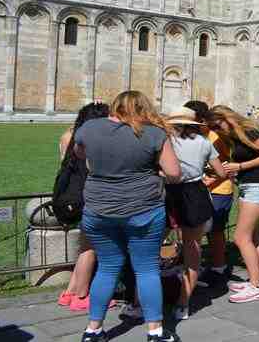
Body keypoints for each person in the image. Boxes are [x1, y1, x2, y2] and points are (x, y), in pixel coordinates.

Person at [73, 91, 182, 342]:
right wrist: (154, 170)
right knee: (147, 270)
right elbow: (174, 172)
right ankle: (155, 331)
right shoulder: (153, 133)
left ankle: (93, 329)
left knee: (107, 268)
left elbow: (79, 153)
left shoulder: (90, 127)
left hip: (99, 209)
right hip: (142, 209)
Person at [208, 105, 259, 303]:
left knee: (240, 238)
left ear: (227, 117)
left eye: (217, 124)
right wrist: (234, 171)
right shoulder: (235, 136)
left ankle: (255, 285)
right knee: (254, 237)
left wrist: (239, 166)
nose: (217, 130)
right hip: (250, 186)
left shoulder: (249, 130)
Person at [165, 107, 228, 320]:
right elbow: (220, 172)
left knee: (153, 248)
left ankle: (143, 301)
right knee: (193, 251)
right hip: (195, 192)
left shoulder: (167, 142)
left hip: (169, 192)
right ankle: (183, 304)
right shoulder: (204, 142)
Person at [56, 102, 110, 312]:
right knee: (90, 249)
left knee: (85, 248)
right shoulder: (93, 141)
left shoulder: (72, 136)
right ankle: (81, 296)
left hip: (69, 197)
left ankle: (69, 292)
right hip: (86, 198)